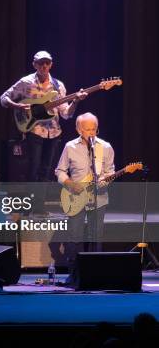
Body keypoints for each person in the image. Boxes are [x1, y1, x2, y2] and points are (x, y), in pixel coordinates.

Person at [0, 51, 87, 183]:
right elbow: (4, 98)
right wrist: (17, 106)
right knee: (33, 170)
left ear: (51, 65)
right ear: (34, 64)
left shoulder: (58, 86)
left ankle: (39, 202)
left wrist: (76, 101)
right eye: (41, 63)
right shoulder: (26, 82)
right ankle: (32, 200)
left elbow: (66, 114)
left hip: (53, 133)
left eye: (47, 63)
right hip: (34, 130)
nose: (44, 66)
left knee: (46, 172)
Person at [55, 112, 114, 277]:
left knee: (96, 235)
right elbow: (59, 171)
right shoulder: (70, 146)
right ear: (79, 129)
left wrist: (104, 181)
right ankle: (74, 273)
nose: (92, 133)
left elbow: (110, 171)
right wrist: (69, 184)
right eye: (88, 129)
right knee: (75, 235)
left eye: (94, 129)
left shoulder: (106, 147)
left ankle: (96, 273)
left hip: (99, 198)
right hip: (75, 197)